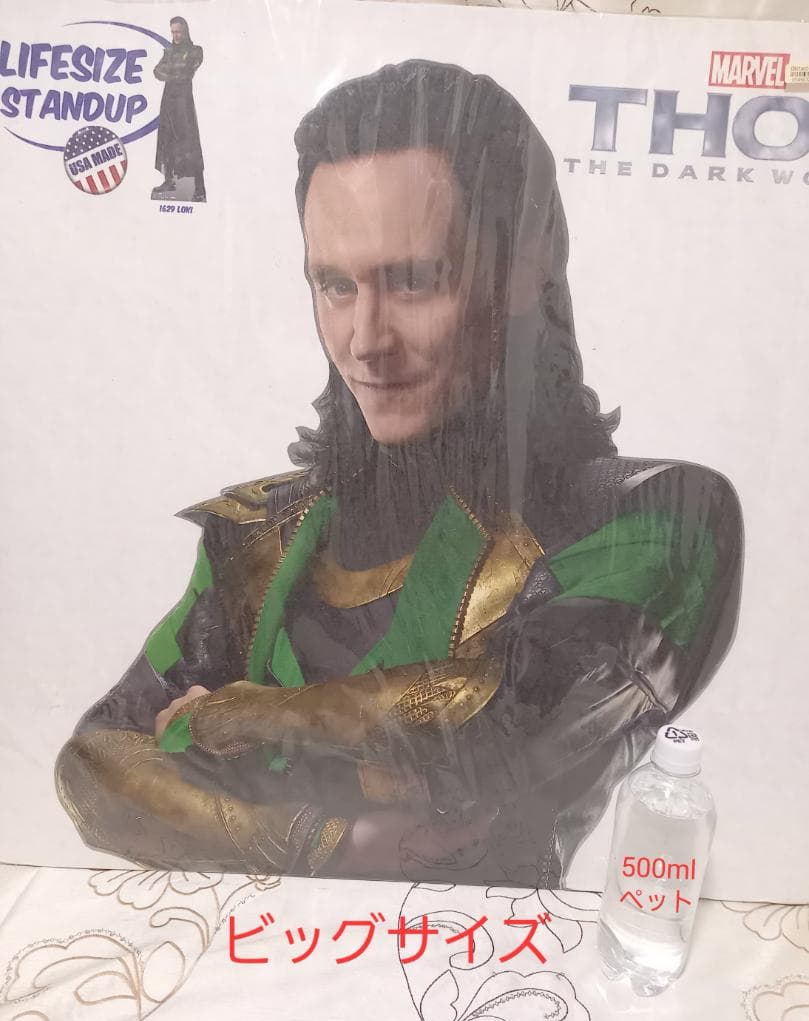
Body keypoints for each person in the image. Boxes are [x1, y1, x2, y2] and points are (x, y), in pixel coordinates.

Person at [56, 60, 742, 886]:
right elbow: (95, 759)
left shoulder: (654, 513)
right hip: (256, 948)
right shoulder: (258, 535)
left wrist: (232, 718)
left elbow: (500, 735)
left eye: (413, 280)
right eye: (335, 285)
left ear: (523, 269)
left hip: (484, 954)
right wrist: (323, 839)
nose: (365, 340)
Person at [152, 16, 206, 202]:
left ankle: (200, 188)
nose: (176, 36)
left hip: (184, 103)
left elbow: (187, 72)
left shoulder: (195, 50)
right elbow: (156, 71)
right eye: (173, 32)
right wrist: (173, 71)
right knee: (166, 140)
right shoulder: (169, 51)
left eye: (179, 32)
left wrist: (170, 71)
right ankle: (169, 181)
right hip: (168, 101)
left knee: (190, 142)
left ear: (186, 31)